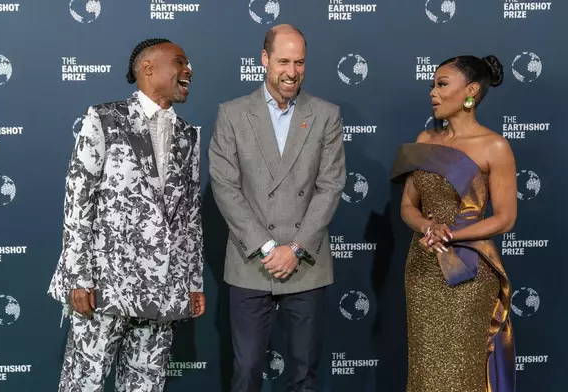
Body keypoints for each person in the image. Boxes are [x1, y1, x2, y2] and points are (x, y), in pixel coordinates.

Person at [47, 38, 205, 392]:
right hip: (103, 285)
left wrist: (192, 281)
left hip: (163, 289)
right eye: (180, 62)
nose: (188, 70)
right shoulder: (104, 118)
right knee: (82, 384)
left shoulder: (187, 136)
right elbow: (78, 201)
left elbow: (190, 217)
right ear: (148, 68)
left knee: (146, 385)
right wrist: (78, 276)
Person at [209, 24, 346, 392]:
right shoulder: (233, 114)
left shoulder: (326, 114)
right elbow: (225, 187)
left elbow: (330, 187)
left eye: (299, 62)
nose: (292, 71)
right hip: (252, 261)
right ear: (265, 59)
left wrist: (296, 248)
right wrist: (269, 248)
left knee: (303, 373)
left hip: (306, 264)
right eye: (284, 61)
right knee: (247, 369)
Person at [390, 55, 517, 392]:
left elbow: (505, 218)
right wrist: (427, 228)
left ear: (470, 91)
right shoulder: (425, 139)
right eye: (433, 84)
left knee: (462, 370)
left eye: (442, 84)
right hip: (422, 267)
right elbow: (407, 205)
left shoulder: (495, 146)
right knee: (426, 369)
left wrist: (451, 234)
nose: (433, 92)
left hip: (468, 271)